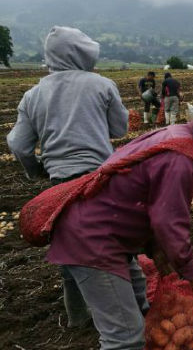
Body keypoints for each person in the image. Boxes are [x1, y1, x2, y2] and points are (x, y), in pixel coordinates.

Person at [45, 104, 193, 350]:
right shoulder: (181, 157)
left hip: (102, 230)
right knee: (124, 338)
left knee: (141, 304)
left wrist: (156, 250)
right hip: (94, 240)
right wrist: (191, 268)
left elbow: (148, 200)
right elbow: (168, 220)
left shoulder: (174, 134)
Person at [7, 26, 129, 329]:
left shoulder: (33, 95)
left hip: (59, 184)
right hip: (99, 179)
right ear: (85, 53)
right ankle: (126, 313)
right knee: (115, 244)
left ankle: (77, 316)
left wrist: (35, 169)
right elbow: (120, 130)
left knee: (68, 248)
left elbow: (17, 144)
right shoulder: (101, 85)